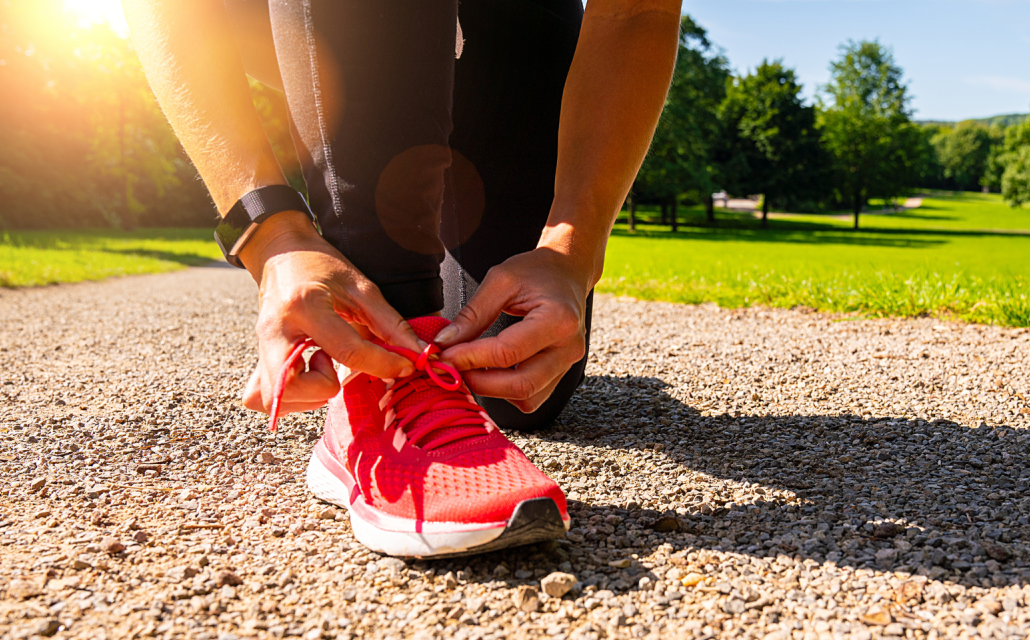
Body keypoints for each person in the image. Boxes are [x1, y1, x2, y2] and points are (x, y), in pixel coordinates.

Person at [122, 0, 681, 557]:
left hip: (495, 29)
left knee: (518, 379)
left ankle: (423, 176)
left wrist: (570, 251)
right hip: (292, 23)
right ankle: (373, 387)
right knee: (419, 346)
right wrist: (272, 236)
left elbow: (637, 13)